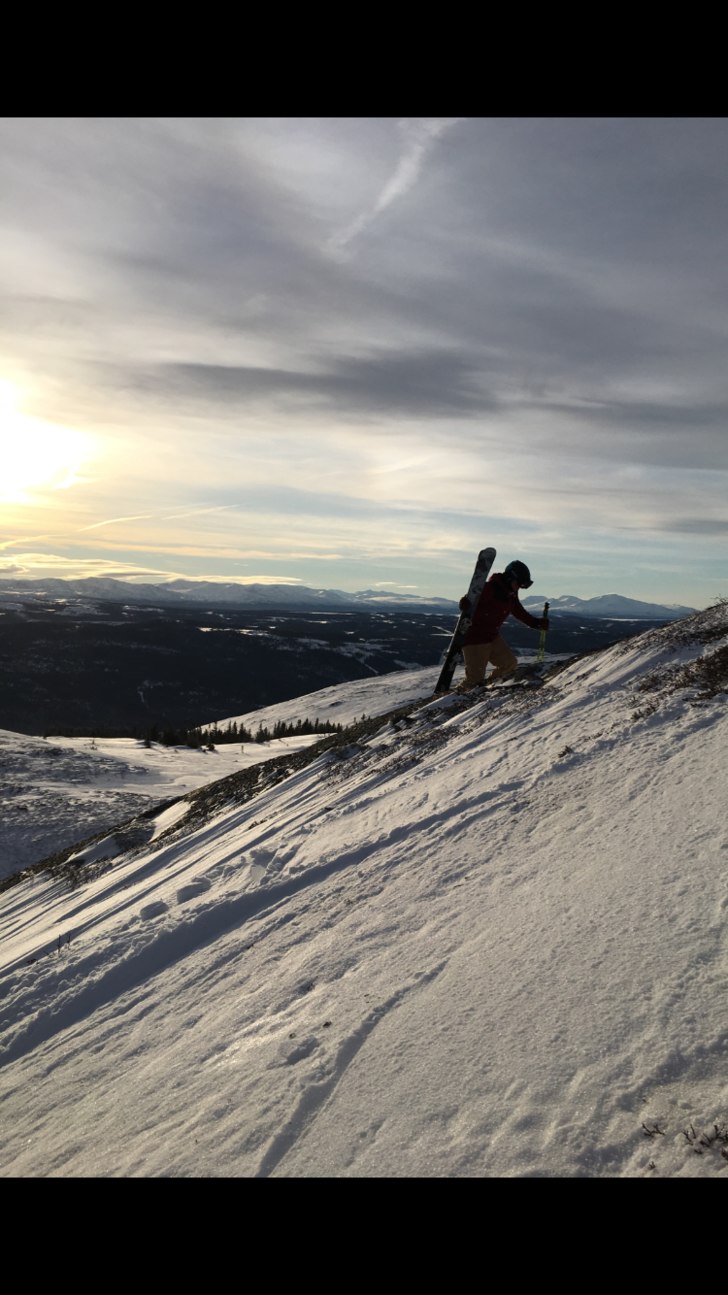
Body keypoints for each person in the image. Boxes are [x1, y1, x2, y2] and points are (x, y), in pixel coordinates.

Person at [457, 559, 549, 689]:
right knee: (474, 680)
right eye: (519, 584)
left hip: (492, 637)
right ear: (510, 578)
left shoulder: (510, 594)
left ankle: (486, 688)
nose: (519, 588)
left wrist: (535, 623)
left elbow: (518, 611)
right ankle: (453, 701)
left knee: (509, 664)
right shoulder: (490, 588)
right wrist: (465, 603)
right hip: (475, 639)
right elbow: (471, 599)